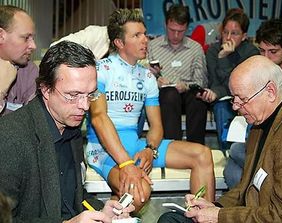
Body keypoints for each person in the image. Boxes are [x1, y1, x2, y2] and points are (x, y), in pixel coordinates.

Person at [158, 55, 282, 223]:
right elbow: (244, 188)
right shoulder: (259, 124)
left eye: (242, 99)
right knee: (171, 219)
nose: (235, 106)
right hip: (253, 216)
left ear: (270, 92)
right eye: (234, 98)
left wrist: (219, 216)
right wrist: (215, 207)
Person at [86, 8, 215, 213]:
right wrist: (126, 163)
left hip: (135, 145)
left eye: (144, 34)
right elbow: (99, 119)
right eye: (136, 35)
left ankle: (206, 216)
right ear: (119, 43)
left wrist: (150, 149)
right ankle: (116, 207)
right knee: (140, 194)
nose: (145, 39)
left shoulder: (147, 77)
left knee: (202, 154)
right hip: (103, 148)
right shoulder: (100, 70)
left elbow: (156, 127)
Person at [0, 41, 134, 222]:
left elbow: (72, 199)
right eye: (73, 95)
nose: (85, 106)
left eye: (90, 95)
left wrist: (102, 211)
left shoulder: (71, 129)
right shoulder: (10, 137)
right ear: (46, 89)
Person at [223, 18, 282, 189]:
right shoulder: (255, 68)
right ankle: (249, 206)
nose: (266, 57)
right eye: (262, 51)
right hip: (258, 136)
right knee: (233, 169)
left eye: (273, 51)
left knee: (237, 152)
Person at [148, 4, 208, 144]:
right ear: (165, 24)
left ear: (187, 28)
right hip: (165, 95)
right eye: (172, 30)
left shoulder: (195, 48)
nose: (175, 35)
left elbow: (201, 82)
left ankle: (196, 147)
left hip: (188, 93)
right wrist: (156, 81)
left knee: (198, 98)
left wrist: (186, 86)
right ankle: (172, 146)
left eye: (180, 31)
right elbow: (146, 77)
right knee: (169, 94)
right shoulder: (153, 46)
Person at [201, 8, 259, 152]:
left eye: (234, 33)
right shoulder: (214, 51)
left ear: (244, 36)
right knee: (222, 107)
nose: (228, 38)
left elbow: (241, 86)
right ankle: (226, 152)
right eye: (225, 32)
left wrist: (224, 59)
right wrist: (222, 56)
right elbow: (214, 82)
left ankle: (245, 152)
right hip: (222, 101)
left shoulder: (251, 52)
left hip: (247, 99)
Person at [0, 5, 36, 114]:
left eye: (33, 38)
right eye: (26, 38)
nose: (33, 46)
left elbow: (32, 124)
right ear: (1, 36)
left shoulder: (29, 72)